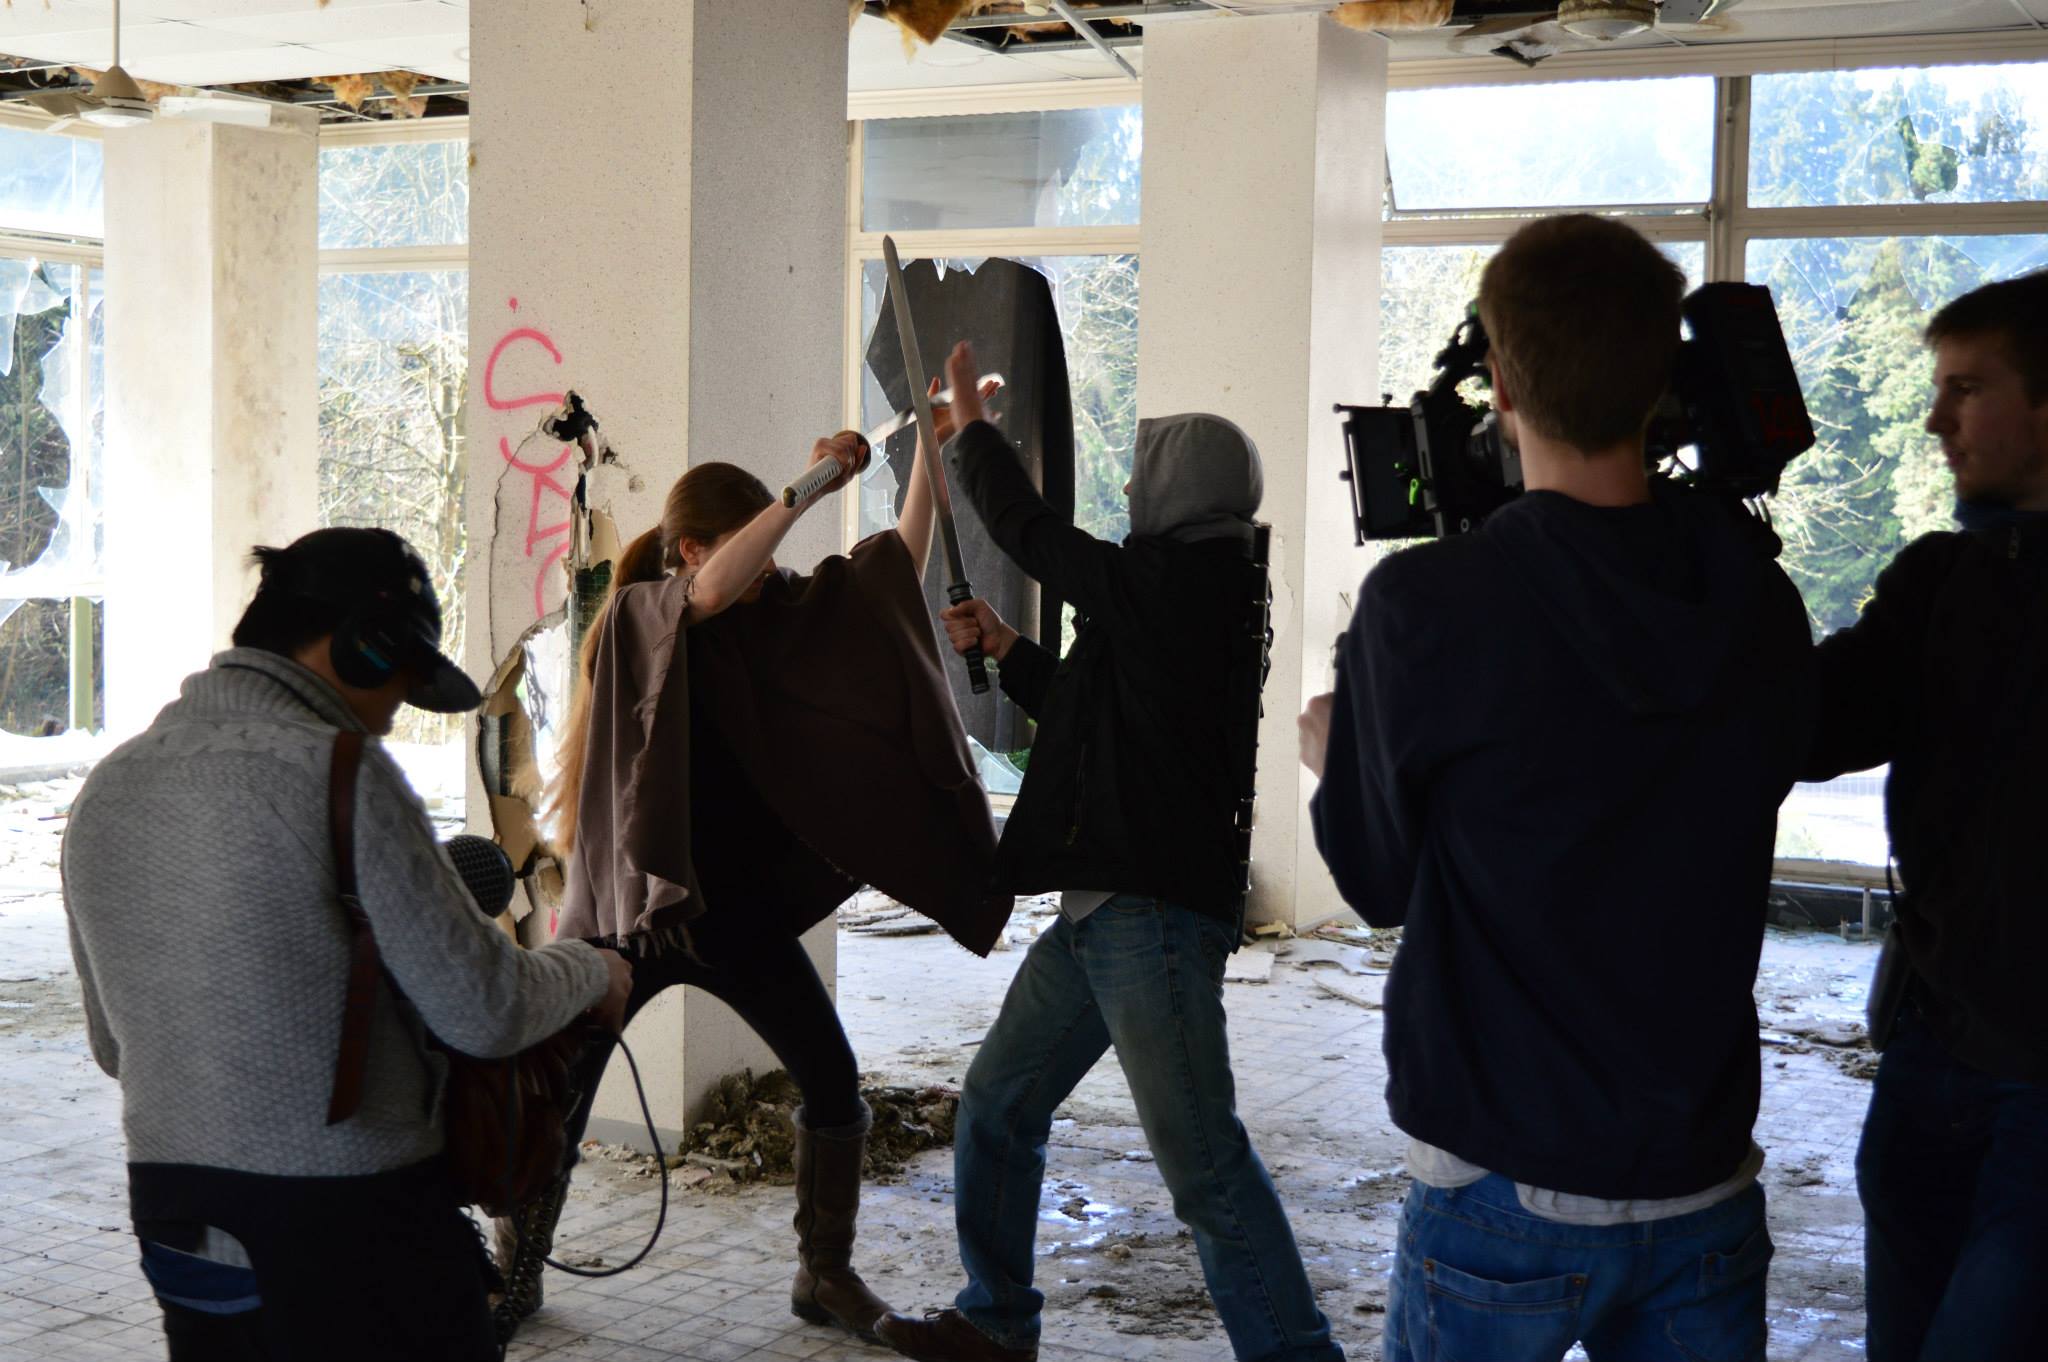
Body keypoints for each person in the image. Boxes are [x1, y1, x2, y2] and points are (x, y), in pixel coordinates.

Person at [1300, 214, 1814, 1362]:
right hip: (1702, 1179)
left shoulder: (1425, 607)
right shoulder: (1752, 598)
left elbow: (1377, 882)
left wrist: (1338, 751)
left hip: (1501, 1188)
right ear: (1662, 378)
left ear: (1496, 376)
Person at [502, 406, 1013, 1346]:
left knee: (831, 1080)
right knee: (565, 1091)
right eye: (744, 548)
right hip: (638, 918)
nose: (769, 569)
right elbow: (704, 594)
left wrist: (928, 468)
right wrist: (809, 485)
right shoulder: (640, 615)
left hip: (736, 916)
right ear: (690, 549)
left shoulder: (771, 615)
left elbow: (888, 573)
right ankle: (515, 1271)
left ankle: (824, 1274)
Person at [60, 526, 633, 1362]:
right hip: (352, 1216)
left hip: (178, 1211)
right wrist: (591, 969)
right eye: (399, 680)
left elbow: (116, 1047)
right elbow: (485, 1008)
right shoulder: (341, 773)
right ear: (357, 649)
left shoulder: (108, 787)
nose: (396, 711)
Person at [875, 342, 1344, 1362]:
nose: (1128, 484)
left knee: (1203, 1167)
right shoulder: (1171, 593)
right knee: (997, 1107)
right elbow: (1096, 716)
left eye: (1143, 469)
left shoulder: (1191, 583)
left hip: (1150, 920)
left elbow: (1026, 529)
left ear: (1183, 491)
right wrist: (1006, 648)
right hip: (1101, 913)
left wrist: (969, 437)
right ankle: (995, 1324)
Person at [1801, 269, 2048, 1361]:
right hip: (1930, 1048)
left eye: (1964, 388)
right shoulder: (1941, 581)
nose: (1934, 419)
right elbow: (1807, 729)